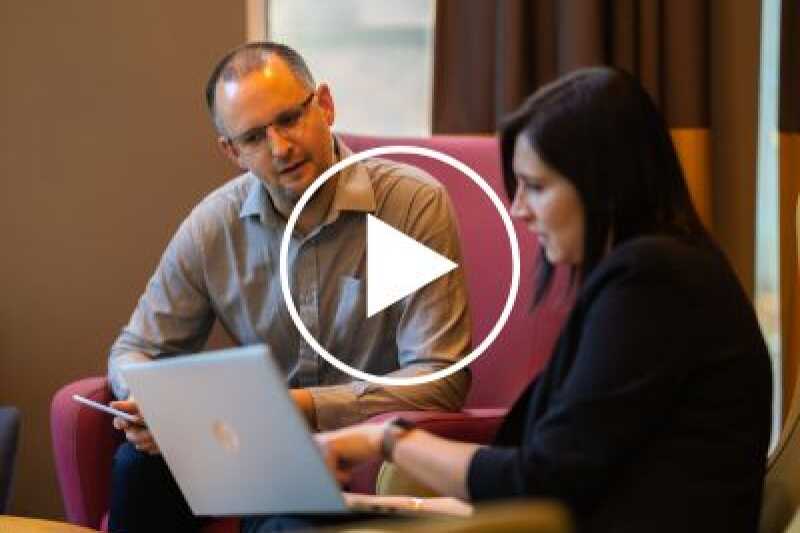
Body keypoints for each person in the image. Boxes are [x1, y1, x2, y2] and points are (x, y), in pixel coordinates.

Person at [254, 67, 773, 533]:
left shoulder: (654, 283)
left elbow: (544, 478)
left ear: (604, 186)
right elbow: (556, 459)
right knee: (286, 520)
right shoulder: (652, 274)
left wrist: (386, 439)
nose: (519, 210)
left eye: (536, 187)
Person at [106, 42, 471, 532]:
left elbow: (440, 379)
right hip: (261, 454)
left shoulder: (411, 204)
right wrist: (151, 402)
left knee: (285, 519)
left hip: (367, 456)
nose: (280, 148)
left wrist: (296, 408)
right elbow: (134, 349)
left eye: (289, 119)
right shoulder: (215, 225)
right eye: (254, 137)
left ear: (324, 105)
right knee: (138, 466)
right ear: (231, 152)